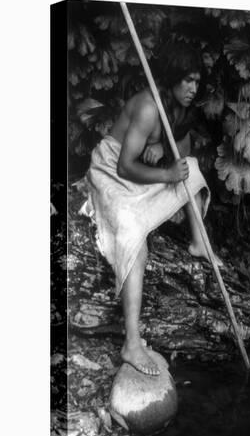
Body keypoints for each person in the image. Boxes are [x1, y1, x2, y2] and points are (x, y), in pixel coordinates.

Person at [83, 43, 221, 377]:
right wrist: (165, 173)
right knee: (134, 239)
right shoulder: (148, 107)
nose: (193, 88)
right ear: (173, 78)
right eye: (187, 80)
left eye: (197, 82)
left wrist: (165, 156)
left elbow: (182, 161)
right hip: (111, 173)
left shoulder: (181, 110)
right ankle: (131, 343)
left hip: (141, 175)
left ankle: (198, 243)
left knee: (194, 169)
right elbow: (124, 166)